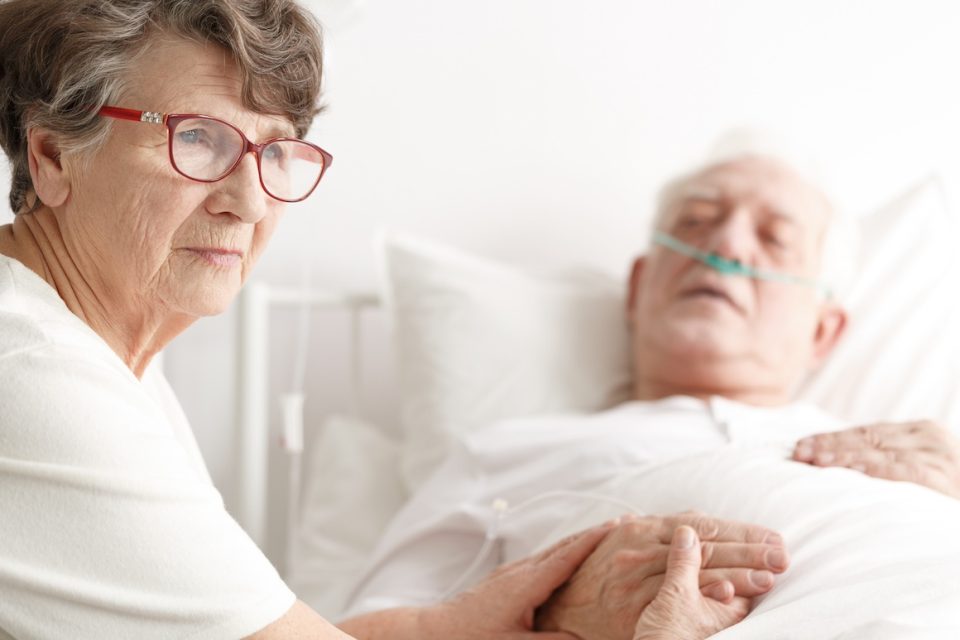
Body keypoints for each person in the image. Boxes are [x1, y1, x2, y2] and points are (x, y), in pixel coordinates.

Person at [0, 1, 785, 638]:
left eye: (276, 152)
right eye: (197, 139)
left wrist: (455, 621)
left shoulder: (97, 353)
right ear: (52, 157)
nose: (247, 199)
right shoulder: (37, 379)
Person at [340, 149, 960, 639]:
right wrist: (557, 609)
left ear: (824, 332)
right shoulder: (507, 453)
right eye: (696, 222)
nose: (725, 247)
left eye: (773, 237)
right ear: (638, 289)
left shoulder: (911, 452)